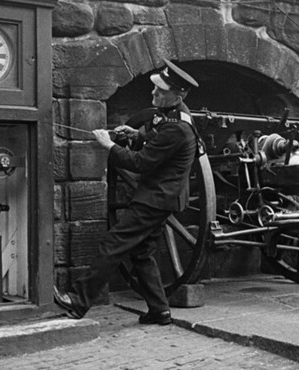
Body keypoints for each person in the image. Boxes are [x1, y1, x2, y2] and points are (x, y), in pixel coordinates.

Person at [54, 58, 200, 326]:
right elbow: (159, 143)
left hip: (155, 200)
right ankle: (159, 310)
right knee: (142, 252)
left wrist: (109, 145)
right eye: (155, 87)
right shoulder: (175, 115)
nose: (153, 92)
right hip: (163, 197)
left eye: (160, 91)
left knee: (113, 244)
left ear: (177, 96)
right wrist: (136, 135)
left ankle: (78, 300)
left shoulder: (178, 127)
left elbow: (141, 162)